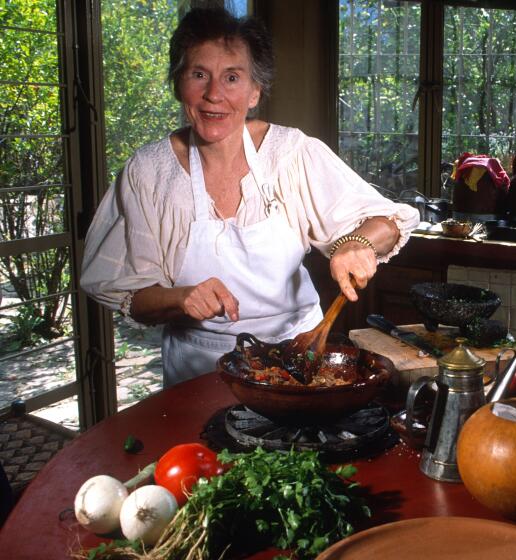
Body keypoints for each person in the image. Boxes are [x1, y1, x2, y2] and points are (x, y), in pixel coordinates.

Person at [81, 8, 420, 387]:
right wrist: (179, 298)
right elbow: (129, 293)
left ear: (255, 91)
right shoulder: (148, 172)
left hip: (299, 360)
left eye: (232, 77)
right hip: (195, 370)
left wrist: (358, 242)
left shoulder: (290, 153)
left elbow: (388, 224)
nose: (214, 95)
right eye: (198, 75)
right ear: (178, 84)